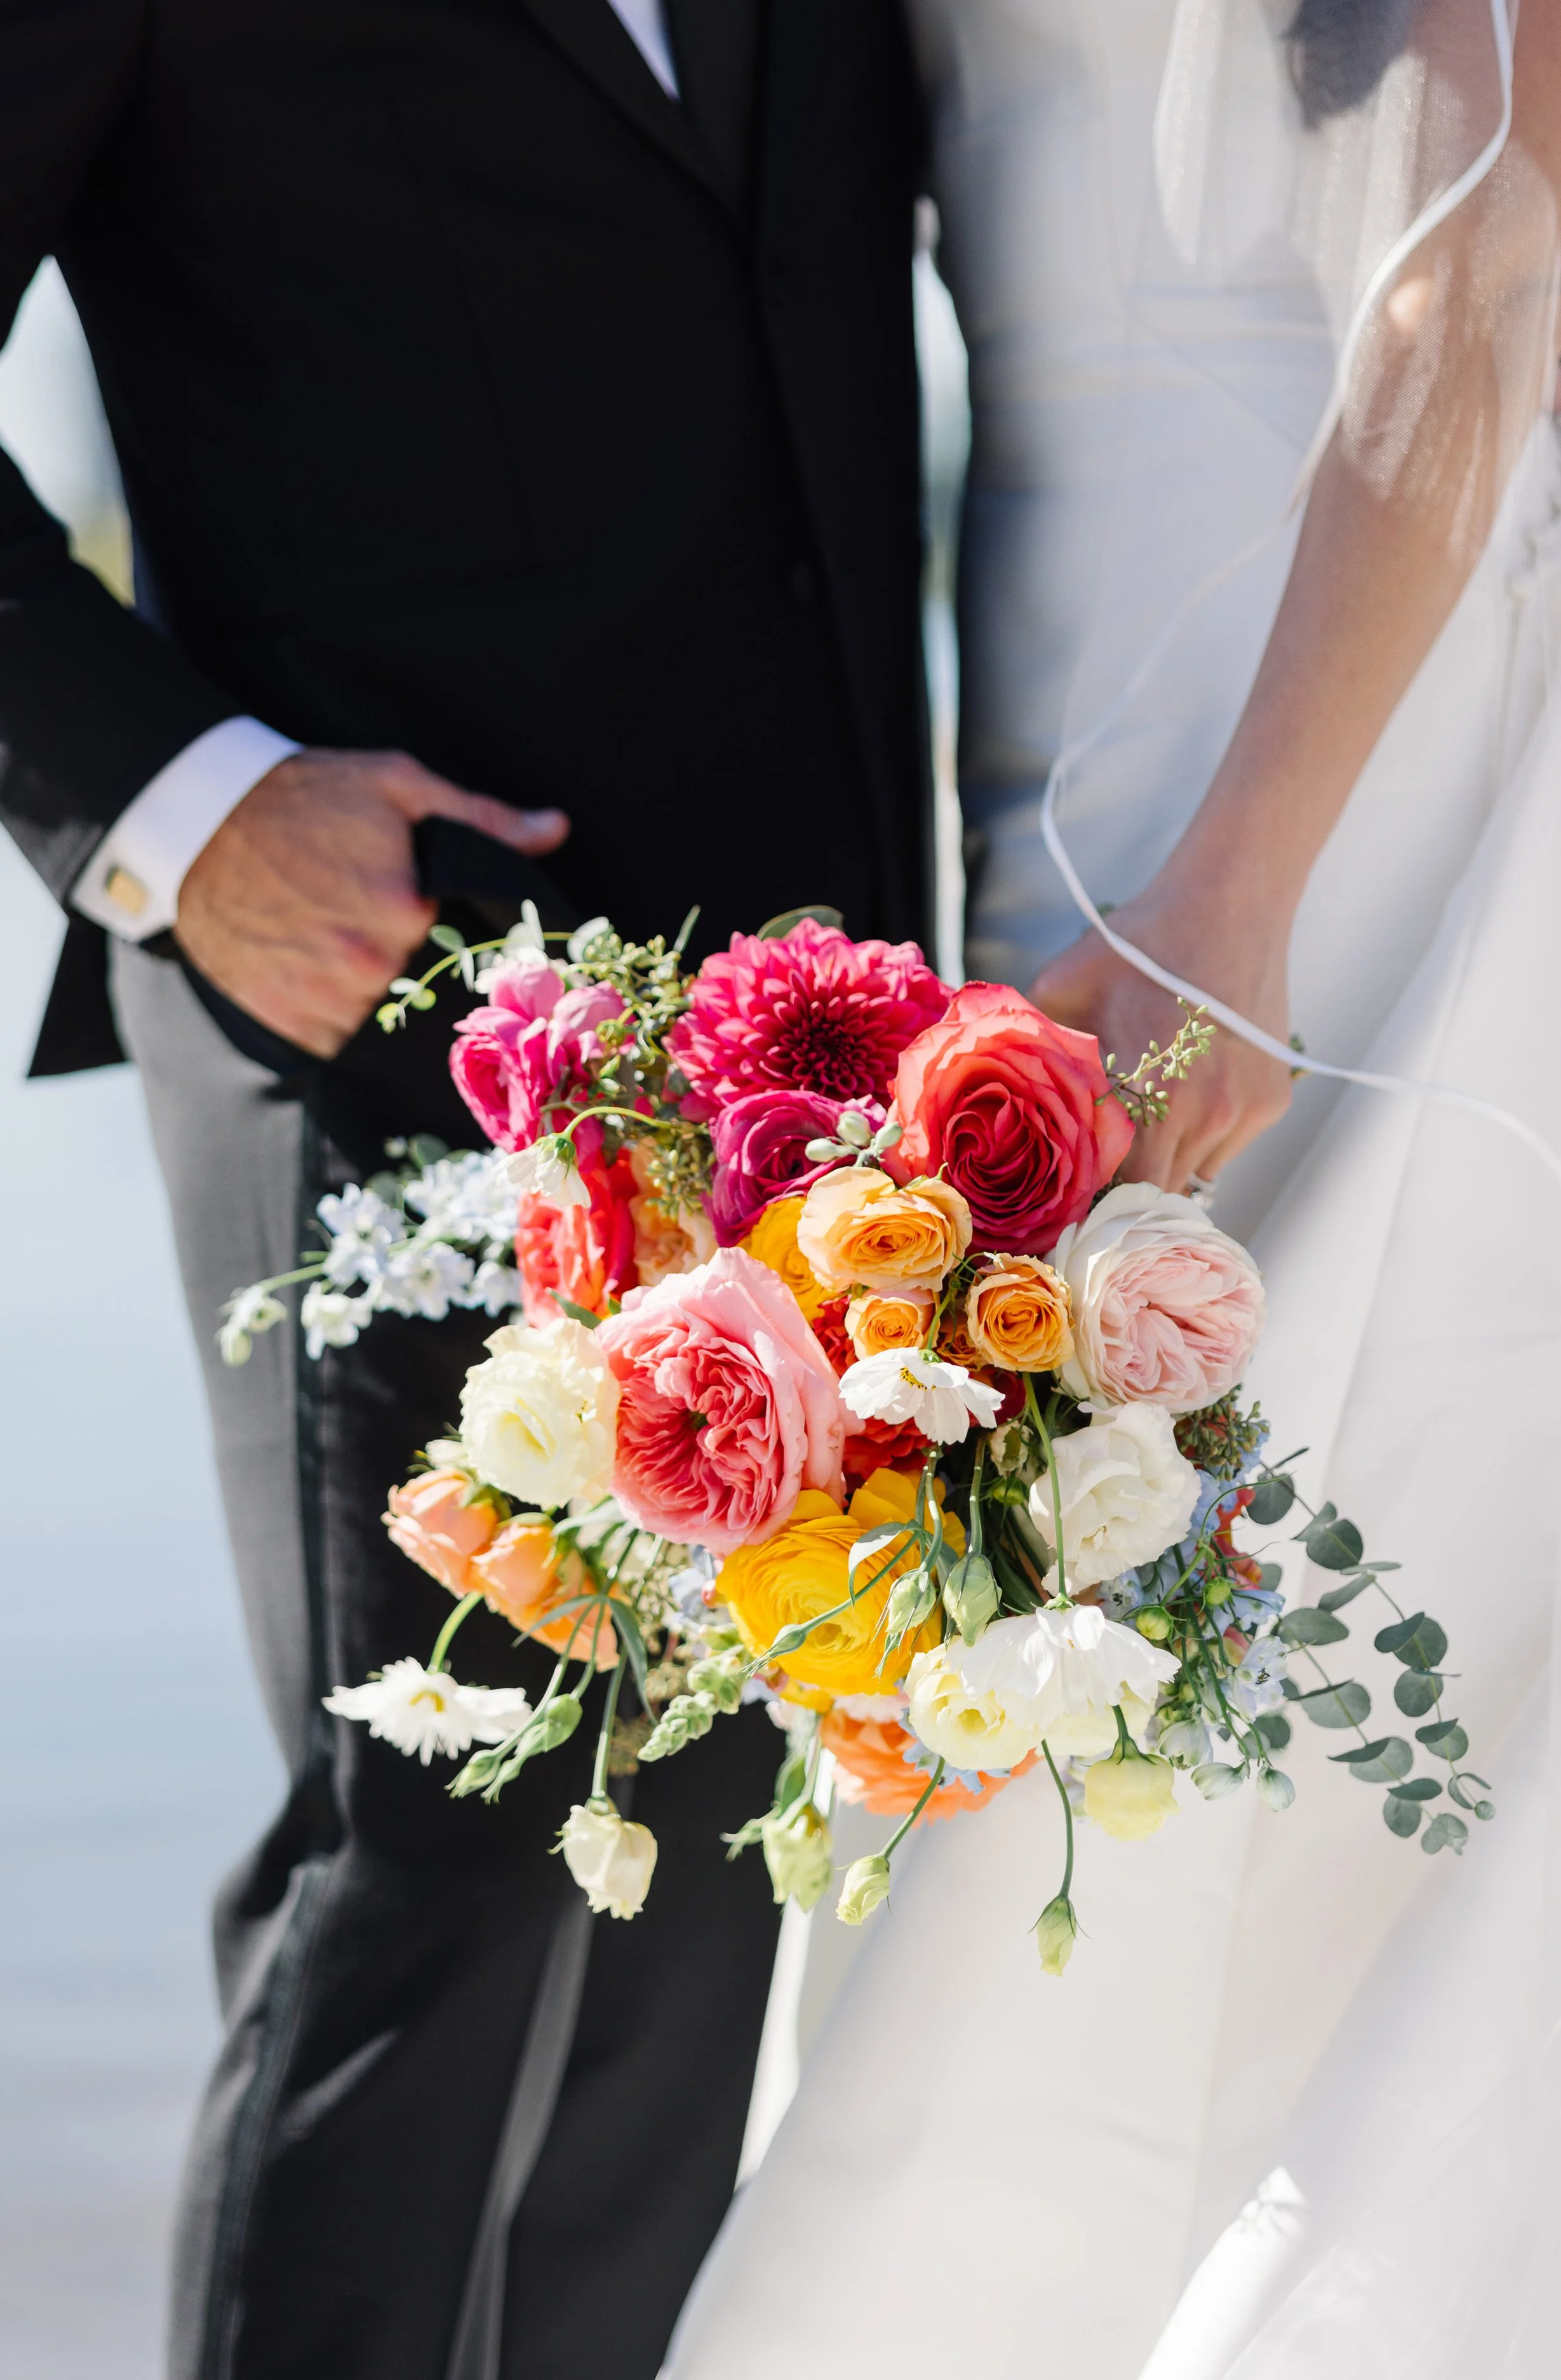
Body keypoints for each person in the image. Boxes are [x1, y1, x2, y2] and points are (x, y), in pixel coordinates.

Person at [0, 7, 930, 2377]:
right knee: (443, 1859)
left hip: (827, 1053)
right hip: (376, 1002)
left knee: (704, 1877)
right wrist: (177, 809)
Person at [666, 0, 1561, 2372]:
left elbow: (1484, 236)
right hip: (1054, 718)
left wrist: (1241, 881)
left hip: (1334, 706)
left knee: (1272, 1592)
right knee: (1055, 1615)